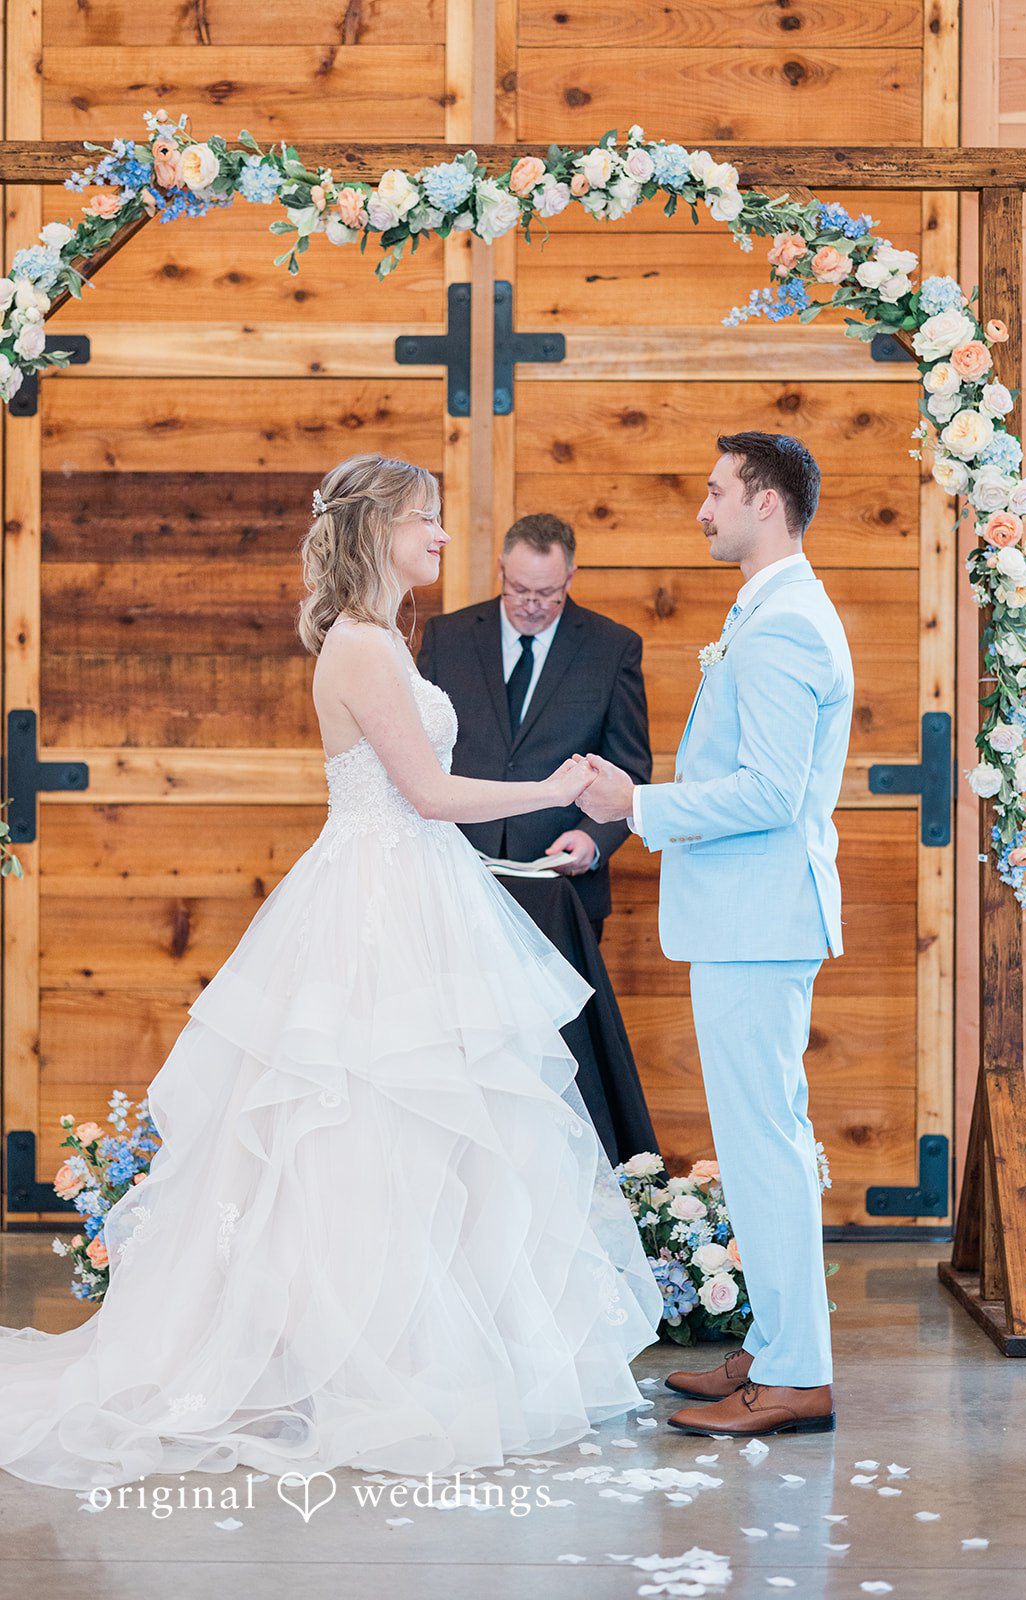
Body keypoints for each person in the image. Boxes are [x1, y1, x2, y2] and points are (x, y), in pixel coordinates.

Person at [0, 453, 662, 1492]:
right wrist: (548, 783)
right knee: (358, 1125)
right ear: (377, 530)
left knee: (428, 1133)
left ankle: (428, 1347)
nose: (442, 538)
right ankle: (361, 1359)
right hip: (374, 905)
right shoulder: (359, 649)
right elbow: (428, 792)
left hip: (417, 896)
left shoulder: (386, 641)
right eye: (426, 521)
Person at [575, 431, 853, 1439]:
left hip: (755, 918)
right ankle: (773, 1349)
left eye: (714, 490)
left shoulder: (783, 625)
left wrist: (639, 803)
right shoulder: (769, 610)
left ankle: (792, 1377)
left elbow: (774, 793)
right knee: (758, 1140)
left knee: (765, 1145)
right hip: (748, 918)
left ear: (766, 505)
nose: (701, 508)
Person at [417, 513, 652, 942]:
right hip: (457, 872)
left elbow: (630, 768)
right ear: (502, 570)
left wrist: (592, 840)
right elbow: (419, 754)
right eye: (519, 590)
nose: (531, 604)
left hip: (560, 885)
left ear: (570, 578)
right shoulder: (447, 637)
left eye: (547, 593)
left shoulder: (612, 648)